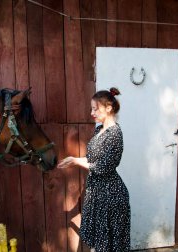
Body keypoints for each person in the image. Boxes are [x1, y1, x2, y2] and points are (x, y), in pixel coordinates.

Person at [57, 87, 130, 252]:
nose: (92, 113)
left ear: (108, 108)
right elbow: (92, 160)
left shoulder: (115, 133)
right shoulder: (99, 130)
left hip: (111, 196)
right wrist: (72, 160)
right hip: (96, 193)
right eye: (91, 109)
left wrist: (76, 161)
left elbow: (103, 167)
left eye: (95, 109)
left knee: (109, 245)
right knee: (98, 244)